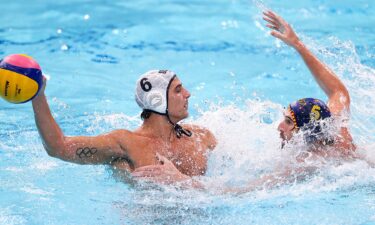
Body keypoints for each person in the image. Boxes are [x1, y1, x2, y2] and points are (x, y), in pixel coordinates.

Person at [132, 10, 357, 188]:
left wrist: (180, 181)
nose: (279, 126)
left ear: (306, 131)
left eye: (289, 122)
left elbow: (239, 194)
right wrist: (297, 44)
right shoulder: (336, 127)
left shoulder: (306, 164)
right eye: (284, 117)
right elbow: (339, 93)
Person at [32, 69, 217, 182]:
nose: (188, 93)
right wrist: (38, 95)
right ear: (157, 100)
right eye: (178, 90)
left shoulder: (202, 137)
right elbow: (58, 147)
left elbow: (239, 186)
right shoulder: (125, 144)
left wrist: (180, 181)